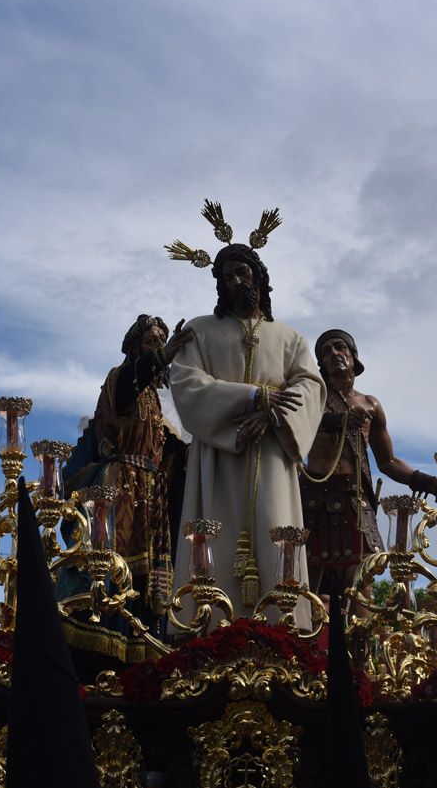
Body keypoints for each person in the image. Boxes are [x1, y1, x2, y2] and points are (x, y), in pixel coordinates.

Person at [170, 244, 325, 617]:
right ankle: (210, 628)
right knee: (213, 544)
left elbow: (311, 386)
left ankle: (282, 629)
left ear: (259, 275)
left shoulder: (290, 338)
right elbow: (188, 383)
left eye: (243, 272)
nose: (238, 281)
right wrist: (255, 397)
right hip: (221, 453)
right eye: (229, 277)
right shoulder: (199, 331)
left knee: (277, 537)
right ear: (221, 286)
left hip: (272, 453)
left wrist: (273, 416)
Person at [58, 314, 192, 663]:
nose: (159, 346)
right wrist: (164, 356)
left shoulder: (157, 399)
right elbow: (130, 384)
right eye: (152, 341)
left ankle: (142, 645)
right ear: (134, 347)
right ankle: (104, 642)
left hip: (149, 491)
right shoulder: (121, 379)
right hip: (120, 487)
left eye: (162, 340)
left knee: (147, 580)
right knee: (113, 566)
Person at [301, 329, 437, 596]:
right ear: (321, 364)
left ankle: (361, 638)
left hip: (356, 501)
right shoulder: (312, 395)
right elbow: (299, 423)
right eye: (326, 351)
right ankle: (302, 637)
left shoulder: (371, 404)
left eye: (339, 347)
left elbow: (388, 461)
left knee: (361, 583)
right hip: (314, 498)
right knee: (306, 588)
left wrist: (432, 483)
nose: (334, 354)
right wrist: (341, 421)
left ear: (353, 356)